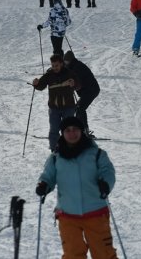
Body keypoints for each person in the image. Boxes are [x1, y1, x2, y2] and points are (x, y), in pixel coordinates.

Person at [36, 116, 117, 258]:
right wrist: (44, 185)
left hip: (96, 212)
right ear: (62, 133)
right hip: (68, 214)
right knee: (73, 254)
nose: (72, 133)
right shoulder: (56, 158)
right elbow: (48, 176)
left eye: (75, 130)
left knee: (104, 253)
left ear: (82, 131)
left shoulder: (97, 154)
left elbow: (107, 171)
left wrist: (106, 183)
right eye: (67, 130)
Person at [62, 51, 100, 135]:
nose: (65, 63)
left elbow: (78, 83)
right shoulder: (71, 66)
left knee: (80, 109)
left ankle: (84, 131)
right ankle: (81, 129)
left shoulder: (78, 68)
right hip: (85, 91)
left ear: (71, 60)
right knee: (78, 108)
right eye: (64, 61)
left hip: (91, 90)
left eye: (66, 61)